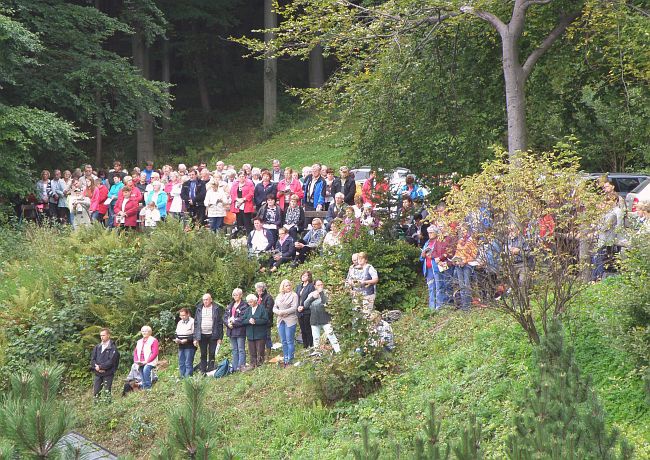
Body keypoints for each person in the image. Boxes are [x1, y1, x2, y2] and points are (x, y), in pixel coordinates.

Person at [420, 225, 454, 310]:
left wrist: (435, 257)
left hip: (438, 266)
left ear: (436, 233)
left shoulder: (440, 241)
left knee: (441, 286)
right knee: (431, 288)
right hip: (428, 269)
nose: (430, 234)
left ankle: (440, 306)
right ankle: (432, 309)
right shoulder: (427, 242)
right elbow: (421, 258)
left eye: (431, 232)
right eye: (428, 233)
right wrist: (423, 255)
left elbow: (445, 253)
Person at [306, 280, 340, 355]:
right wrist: (312, 298)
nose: (320, 286)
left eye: (321, 284)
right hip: (314, 320)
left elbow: (326, 303)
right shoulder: (311, 294)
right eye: (318, 285)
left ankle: (338, 351)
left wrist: (321, 293)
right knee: (316, 338)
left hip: (326, 319)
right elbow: (306, 305)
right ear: (314, 286)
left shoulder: (327, 292)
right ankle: (317, 354)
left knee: (331, 335)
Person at [193, 293, 224, 373]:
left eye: (207, 299)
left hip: (213, 334)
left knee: (212, 353)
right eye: (204, 300)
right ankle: (203, 371)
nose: (205, 301)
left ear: (211, 300)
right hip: (202, 335)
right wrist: (195, 337)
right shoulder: (199, 309)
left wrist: (220, 337)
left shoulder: (216, 308)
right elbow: (196, 323)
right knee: (203, 353)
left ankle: (210, 370)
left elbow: (220, 323)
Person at [273, 279, 299, 367]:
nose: (288, 287)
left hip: (290, 320)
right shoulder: (279, 296)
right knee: (283, 341)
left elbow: (294, 307)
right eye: (286, 285)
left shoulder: (294, 295)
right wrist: (278, 312)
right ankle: (285, 357)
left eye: (289, 285)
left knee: (289, 340)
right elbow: (274, 307)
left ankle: (290, 359)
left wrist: (283, 312)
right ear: (282, 287)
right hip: (280, 320)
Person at [346, 252, 379, 317]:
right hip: (356, 295)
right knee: (356, 314)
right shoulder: (353, 268)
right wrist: (351, 284)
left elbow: (376, 279)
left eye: (362, 259)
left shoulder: (369, 268)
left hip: (367, 295)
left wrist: (364, 282)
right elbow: (348, 280)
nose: (360, 260)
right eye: (358, 259)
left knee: (366, 315)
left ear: (366, 260)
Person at [453, 224, 478, 311]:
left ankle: (467, 305)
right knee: (461, 285)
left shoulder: (471, 241)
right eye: (461, 231)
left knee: (466, 284)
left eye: (464, 230)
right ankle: (464, 305)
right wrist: (456, 260)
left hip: (467, 265)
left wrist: (465, 261)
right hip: (459, 265)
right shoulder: (460, 241)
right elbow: (457, 252)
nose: (463, 232)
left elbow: (474, 254)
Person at [90, 328, 120, 398]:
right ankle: (96, 407)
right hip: (97, 373)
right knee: (96, 393)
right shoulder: (97, 347)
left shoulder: (113, 348)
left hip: (108, 373)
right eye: (101, 335)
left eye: (103, 335)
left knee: (107, 392)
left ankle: (108, 407)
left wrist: (100, 367)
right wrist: (96, 367)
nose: (102, 337)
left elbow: (111, 361)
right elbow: (92, 359)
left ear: (108, 335)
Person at [242, 293, 269, 368]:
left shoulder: (262, 308)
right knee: (252, 351)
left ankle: (260, 364)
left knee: (260, 350)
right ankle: (253, 364)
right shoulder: (248, 310)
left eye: (251, 301)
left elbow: (265, 320)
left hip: (260, 333)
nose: (250, 303)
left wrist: (255, 321)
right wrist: (248, 321)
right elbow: (243, 320)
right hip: (250, 334)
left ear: (255, 301)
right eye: (248, 302)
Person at [224, 288, 248, 372]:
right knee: (234, 349)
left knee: (241, 349)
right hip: (231, 331)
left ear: (241, 295)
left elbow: (243, 318)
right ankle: (234, 367)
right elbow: (225, 317)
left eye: (237, 295)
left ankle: (241, 366)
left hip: (240, 330)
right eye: (233, 295)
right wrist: (228, 323)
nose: (235, 296)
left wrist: (234, 322)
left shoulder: (244, 305)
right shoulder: (230, 305)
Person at [230, 170, 256, 236]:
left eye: (243, 176)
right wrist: (237, 199)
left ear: (245, 177)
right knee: (239, 221)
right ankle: (240, 235)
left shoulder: (249, 184)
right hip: (237, 205)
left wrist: (244, 199)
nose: (242, 178)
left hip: (246, 204)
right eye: (240, 176)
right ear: (238, 177)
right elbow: (232, 193)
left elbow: (251, 193)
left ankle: (249, 235)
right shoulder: (235, 184)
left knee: (247, 221)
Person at [133, 325, 159, 390]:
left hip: (150, 361)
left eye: (146, 331)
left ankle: (148, 387)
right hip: (140, 361)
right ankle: (144, 388)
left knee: (146, 370)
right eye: (143, 331)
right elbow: (135, 352)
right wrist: (136, 360)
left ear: (150, 332)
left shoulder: (153, 340)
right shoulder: (139, 341)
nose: (144, 333)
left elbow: (155, 353)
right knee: (141, 371)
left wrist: (147, 361)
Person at [295, 271, 315, 349]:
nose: (303, 276)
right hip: (299, 311)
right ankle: (305, 345)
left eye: (305, 275)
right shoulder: (299, 286)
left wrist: (303, 306)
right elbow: (296, 298)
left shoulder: (311, 286)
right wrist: (298, 307)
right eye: (302, 275)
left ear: (309, 277)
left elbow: (311, 299)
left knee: (308, 328)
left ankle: (311, 344)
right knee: (302, 329)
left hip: (307, 311)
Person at [174, 308, 196, 378]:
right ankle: (182, 376)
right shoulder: (180, 322)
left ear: (188, 314)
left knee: (188, 362)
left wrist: (186, 340)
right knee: (181, 362)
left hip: (190, 345)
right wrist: (177, 338)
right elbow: (176, 333)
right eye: (181, 316)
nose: (182, 317)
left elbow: (195, 334)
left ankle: (188, 378)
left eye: (184, 315)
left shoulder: (193, 321)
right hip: (181, 345)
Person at [255, 282, 275, 353]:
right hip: (257, 322)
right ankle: (260, 353)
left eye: (258, 288)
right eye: (256, 289)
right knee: (259, 338)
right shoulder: (256, 297)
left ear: (262, 288)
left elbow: (269, 311)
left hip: (266, 322)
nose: (257, 290)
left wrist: (259, 315)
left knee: (267, 338)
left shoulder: (268, 297)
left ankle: (268, 354)